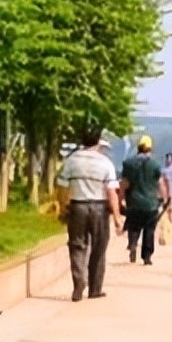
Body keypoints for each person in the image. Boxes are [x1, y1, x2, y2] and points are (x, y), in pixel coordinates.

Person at [57, 129, 122, 301]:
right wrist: (116, 217)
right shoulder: (105, 163)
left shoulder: (71, 161)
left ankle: (79, 281)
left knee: (77, 245)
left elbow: (62, 186)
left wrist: (63, 207)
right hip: (99, 209)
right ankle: (95, 288)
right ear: (98, 142)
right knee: (99, 247)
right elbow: (112, 193)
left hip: (77, 206)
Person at [120, 135, 169, 265]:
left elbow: (124, 183)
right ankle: (147, 257)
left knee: (134, 226)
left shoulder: (128, 163)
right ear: (150, 148)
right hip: (151, 203)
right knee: (149, 230)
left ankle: (133, 244)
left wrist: (120, 199)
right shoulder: (155, 165)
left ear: (138, 148)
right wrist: (165, 199)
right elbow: (161, 184)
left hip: (133, 202)